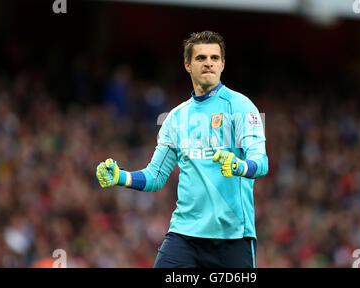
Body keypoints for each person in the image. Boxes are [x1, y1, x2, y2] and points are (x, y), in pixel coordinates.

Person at [96, 31, 268, 268]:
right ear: (187, 64)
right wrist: (121, 177)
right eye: (201, 58)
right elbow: (155, 176)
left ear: (223, 64)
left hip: (232, 237)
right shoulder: (175, 118)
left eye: (215, 58)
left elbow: (261, 161)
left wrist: (240, 166)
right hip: (184, 236)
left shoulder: (241, 106)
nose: (209, 62)